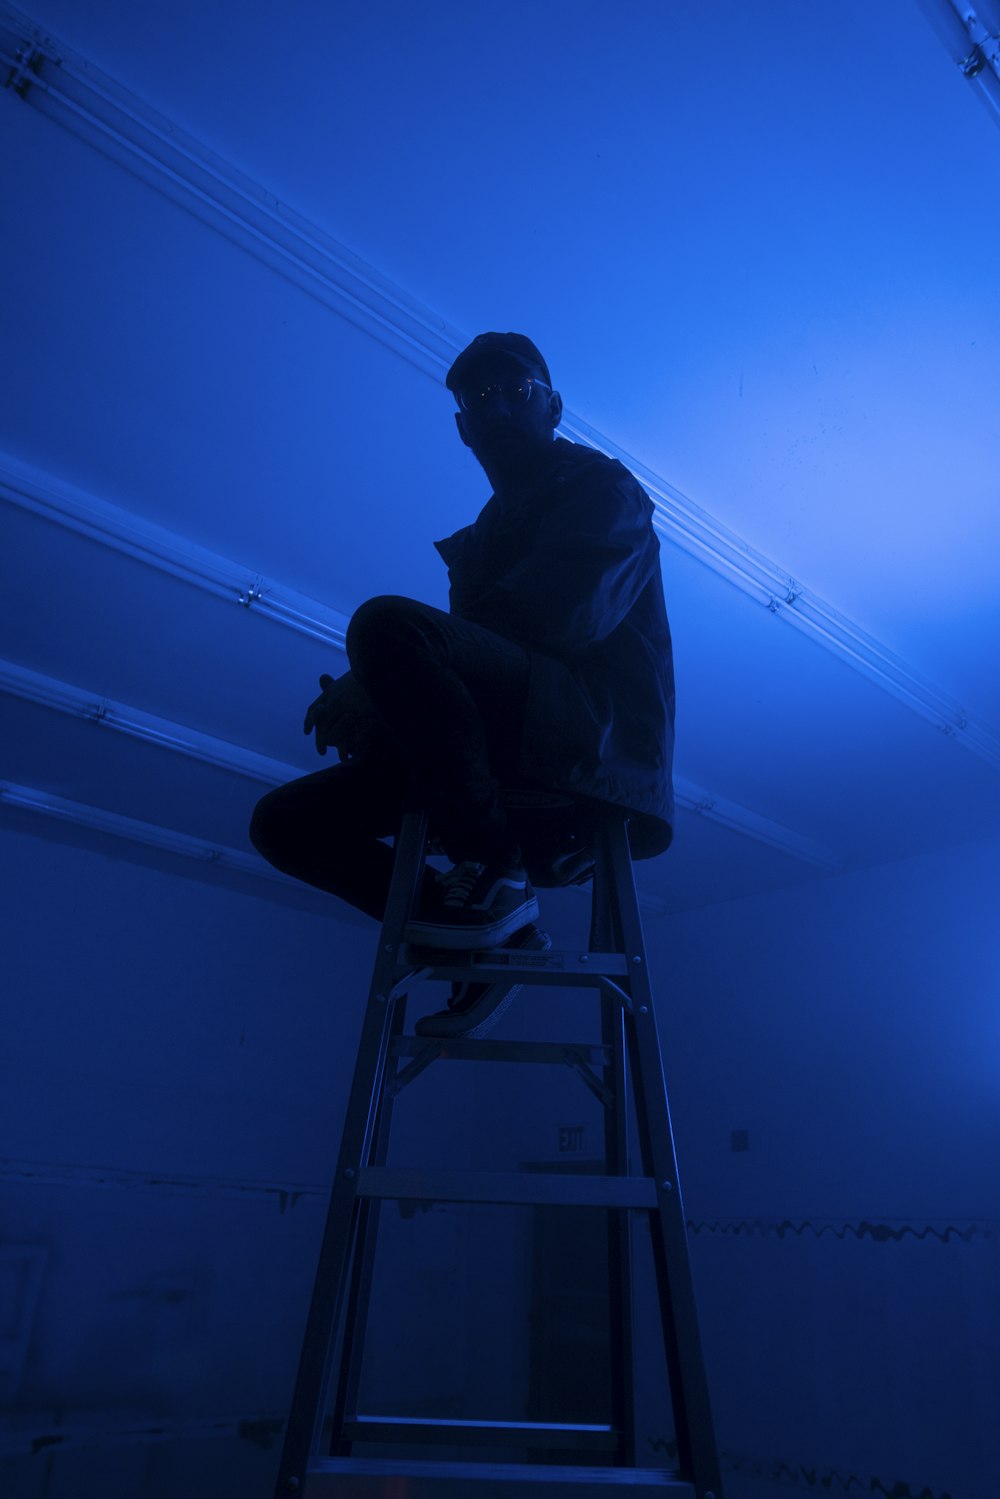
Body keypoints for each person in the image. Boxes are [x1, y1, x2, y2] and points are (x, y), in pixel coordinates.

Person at [249, 332, 675, 1037]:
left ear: (554, 406)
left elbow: (558, 618)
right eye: (481, 398)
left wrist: (374, 672)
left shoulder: (606, 490)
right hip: (503, 754)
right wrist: (387, 712)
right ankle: (478, 944)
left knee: (385, 624)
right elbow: (468, 680)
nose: (500, 407)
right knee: (285, 823)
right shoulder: (479, 541)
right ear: (462, 428)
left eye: (519, 391)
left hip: (587, 744)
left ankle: (495, 873)